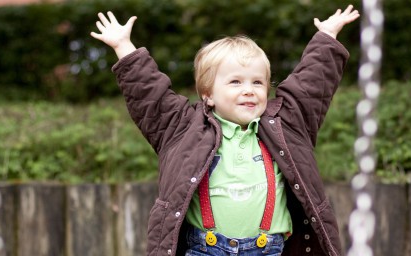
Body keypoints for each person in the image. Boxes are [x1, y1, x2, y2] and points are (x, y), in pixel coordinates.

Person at [91, 4, 360, 256]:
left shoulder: (287, 123)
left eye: (257, 82)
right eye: (235, 82)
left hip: (270, 249)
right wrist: (124, 46)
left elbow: (310, 85)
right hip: (204, 249)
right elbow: (150, 95)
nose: (248, 90)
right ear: (208, 94)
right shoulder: (182, 127)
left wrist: (327, 36)